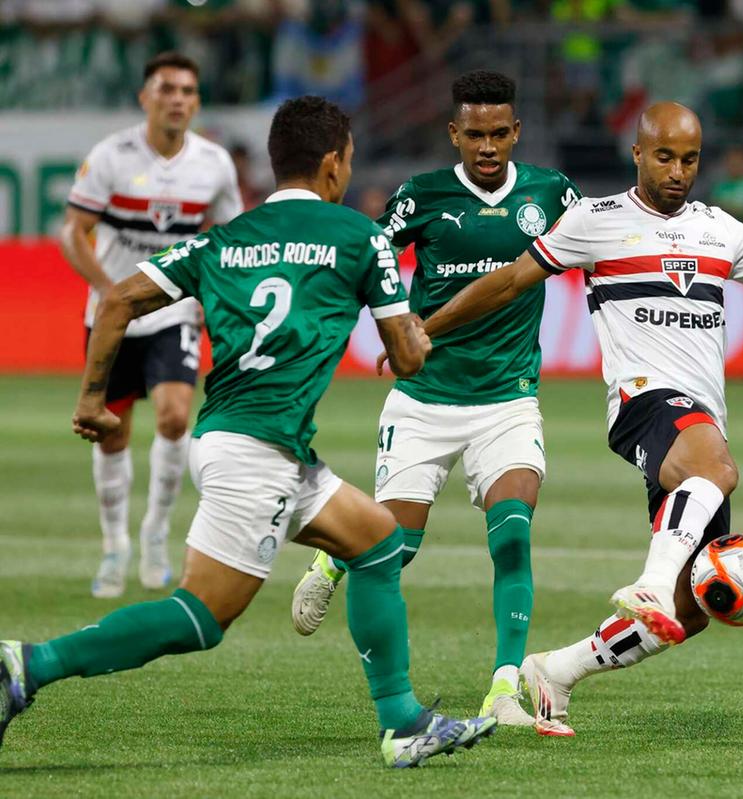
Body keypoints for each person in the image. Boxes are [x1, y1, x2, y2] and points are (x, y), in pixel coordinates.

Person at [1, 95, 497, 768]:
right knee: (203, 617)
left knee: (377, 540)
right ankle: (29, 664)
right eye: (347, 160)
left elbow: (117, 299)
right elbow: (406, 358)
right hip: (256, 452)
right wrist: (421, 336)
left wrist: (93, 397)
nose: (348, 172)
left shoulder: (225, 238)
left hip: (251, 440)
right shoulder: (361, 237)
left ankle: (404, 723)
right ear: (332, 163)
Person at [420, 101, 743, 736]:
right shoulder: (595, 221)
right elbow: (508, 281)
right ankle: (651, 581)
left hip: (698, 422)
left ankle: (556, 670)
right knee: (717, 468)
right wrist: (426, 327)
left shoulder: (721, 231)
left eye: (689, 159)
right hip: (641, 403)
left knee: (690, 612)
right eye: (665, 157)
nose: (678, 171)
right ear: (637, 153)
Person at [289, 70, 581, 727]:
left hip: (507, 399)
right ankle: (335, 557)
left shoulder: (551, 193)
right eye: (474, 134)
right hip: (423, 399)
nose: (487, 145)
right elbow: (369, 259)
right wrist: (381, 325)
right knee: (398, 548)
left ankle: (503, 687)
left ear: (517, 133)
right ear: (454, 133)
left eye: (499, 133)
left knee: (512, 537)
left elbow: (594, 250)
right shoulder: (420, 196)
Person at [59, 52, 243, 599]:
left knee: (173, 415)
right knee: (112, 433)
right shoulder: (111, 156)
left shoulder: (213, 163)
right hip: (113, 318)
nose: (178, 99)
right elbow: (74, 232)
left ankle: (156, 533)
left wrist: (215, 298)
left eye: (188, 90)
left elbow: (232, 240)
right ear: (146, 97)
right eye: (166, 89)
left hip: (173, 314)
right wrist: (107, 289)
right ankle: (114, 542)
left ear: (197, 101)